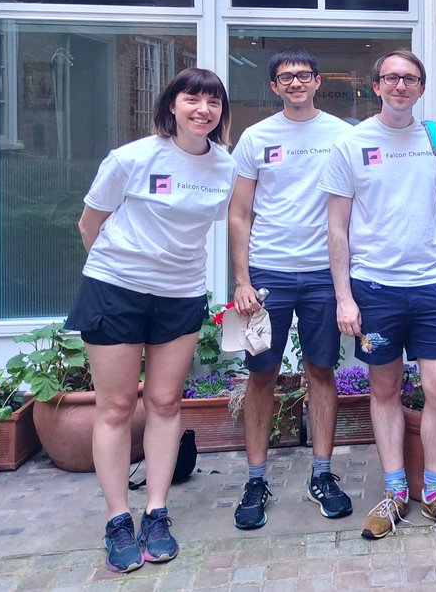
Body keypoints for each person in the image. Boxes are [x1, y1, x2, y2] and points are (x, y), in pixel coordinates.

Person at [67, 68, 237, 574]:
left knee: (165, 401)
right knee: (117, 406)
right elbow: (89, 223)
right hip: (115, 290)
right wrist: (121, 271)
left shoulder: (224, 167)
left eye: (212, 101)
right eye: (193, 99)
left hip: (180, 295)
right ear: (172, 105)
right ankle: (118, 518)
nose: (203, 109)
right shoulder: (133, 158)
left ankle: (156, 511)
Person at [321, 49, 436, 539]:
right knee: (385, 388)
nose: (400, 86)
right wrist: (344, 297)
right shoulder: (352, 144)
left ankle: (434, 492)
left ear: (421, 88)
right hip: (376, 288)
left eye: (409, 78)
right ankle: (394, 491)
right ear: (376, 86)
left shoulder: (435, 139)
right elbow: (337, 227)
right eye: (391, 77)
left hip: (432, 284)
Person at [227, 49, 352, 530]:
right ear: (275, 87)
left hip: (324, 274)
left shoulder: (343, 135)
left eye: (303, 75)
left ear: (319, 80)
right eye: (285, 77)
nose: (295, 82)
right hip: (267, 275)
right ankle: (256, 478)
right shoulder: (256, 138)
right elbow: (239, 213)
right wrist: (242, 280)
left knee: (321, 371)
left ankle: (322, 474)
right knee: (262, 374)